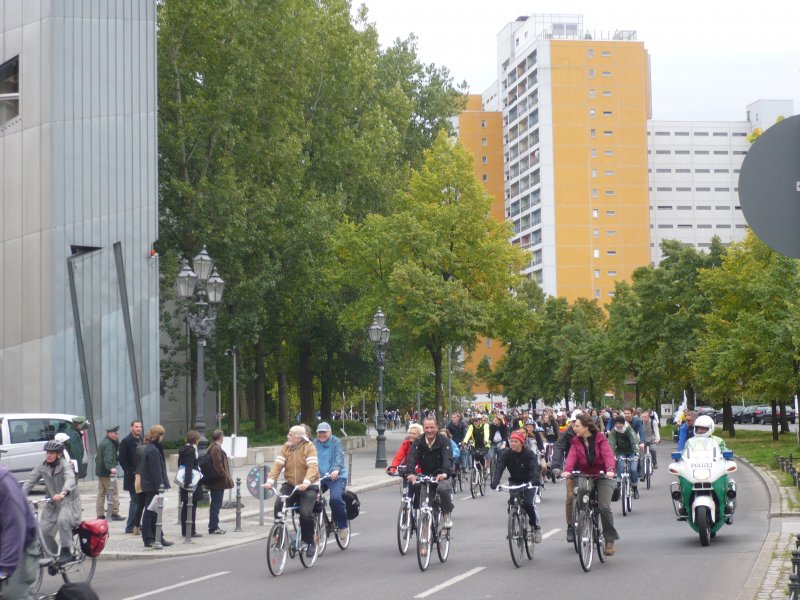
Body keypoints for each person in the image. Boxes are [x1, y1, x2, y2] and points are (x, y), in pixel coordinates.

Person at [562, 414, 619, 556]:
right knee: (580, 494)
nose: (574, 428)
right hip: (586, 474)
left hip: (603, 475)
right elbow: (571, 457)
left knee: (603, 506)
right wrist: (567, 470)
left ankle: (609, 539)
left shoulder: (600, 438)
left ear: (586, 427)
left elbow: (607, 455)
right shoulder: (576, 441)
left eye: (577, 426)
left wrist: (610, 470)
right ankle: (584, 520)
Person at [263, 425, 320, 557]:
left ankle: (309, 541)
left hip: (309, 485)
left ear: (299, 438)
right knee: (279, 504)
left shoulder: (309, 447)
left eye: (291, 435)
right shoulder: (286, 447)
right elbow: (278, 464)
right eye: (288, 434)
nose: (288, 436)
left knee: (305, 513)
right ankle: (279, 537)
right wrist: (270, 480)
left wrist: (306, 482)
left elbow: (313, 467)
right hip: (291, 484)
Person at [22, 441, 82, 563]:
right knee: (42, 531)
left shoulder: (66, 465)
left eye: (52, 453)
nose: (48, 455)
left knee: (62, 520)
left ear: (59, 455)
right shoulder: (42, 466)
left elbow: (70, 479)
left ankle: (66, 551)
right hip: (52, 504)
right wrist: (19, 496)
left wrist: (63, 493)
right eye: (47, 453)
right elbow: (30, 481)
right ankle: (53, 558)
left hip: (68, 502)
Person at [490, 430, 544, 542]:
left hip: (529, 482)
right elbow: (499, 468)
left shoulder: (528, 454)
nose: (513, 444)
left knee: (529, 504)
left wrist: (535, 480)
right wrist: (495, 482)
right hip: (515, 482)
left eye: (515, 441)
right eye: (511, 441)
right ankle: (513, 527)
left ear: (521, 443)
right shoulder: (506, 454)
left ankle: (535, 526)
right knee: (512, 503)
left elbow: (535, 468)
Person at [406, 417, 454, 529]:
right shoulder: (418, 442)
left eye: (432, 427)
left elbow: (448, 458)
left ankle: (447, 514)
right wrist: (411, 473)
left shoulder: (444, 441)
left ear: (437, 428)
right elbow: (412, 458)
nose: (429, 430)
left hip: (441, 475)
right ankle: (424, 537)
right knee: (424, 504)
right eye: (426, 427)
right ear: (423, 429)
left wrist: (444, 473)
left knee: (442, 489)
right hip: (426, 476)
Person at [0, 463, 38, 599]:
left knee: (13, 595)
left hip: (19, 546)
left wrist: (5, 567)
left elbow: (15, 526)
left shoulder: (3, 481)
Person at [313, 422, 349, 543]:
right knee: (310, 498)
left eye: (324, 432)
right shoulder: (314, 443)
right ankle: (314, 527)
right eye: (319, 432)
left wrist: (336, 469)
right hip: (321, 477)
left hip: (336, 477)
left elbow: (339, 456)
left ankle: (342, 526)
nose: (322, 434)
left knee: (334, 499)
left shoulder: (335, 442)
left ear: (330, 432)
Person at [140, 424, 173, 548]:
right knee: (150, 513)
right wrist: (161, 487)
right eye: (162, 435)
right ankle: (149, 538)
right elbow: (156, 471)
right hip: (153, 486)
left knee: (155, 513)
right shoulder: (153, 450)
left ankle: (158, 536)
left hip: (151, 485)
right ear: (159, 435)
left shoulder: (152, 448)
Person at [550, 409, 580, 543]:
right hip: (572, 468)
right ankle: (570, 526)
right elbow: (559, 448)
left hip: (590, 468)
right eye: (573, 422)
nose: (576, 425)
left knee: (595, 495)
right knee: (570, 496)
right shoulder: (566, 434)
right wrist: (556, 466)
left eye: (578, 422)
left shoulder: (591, 433)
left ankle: (596, 524)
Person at [607, 415, 644, 500]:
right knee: (620, 463)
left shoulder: (629, 430)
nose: (618, 425)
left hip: (632, 452)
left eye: (620, 423)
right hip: (621, 451)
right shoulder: (614, 431)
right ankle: (619, 482)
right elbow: (611, 443)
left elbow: (634, 441)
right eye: (616, 423)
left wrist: (637, 453)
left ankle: (635, 489)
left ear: (623, 424)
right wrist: (611, 454)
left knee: (633, 469)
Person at [206, 429, 235, 535]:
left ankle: (214, 526)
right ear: (220, 437)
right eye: (222, 437)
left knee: (216, 504)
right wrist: (224, 475)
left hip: (216, 481)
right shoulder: (215, 449)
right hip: (217, 482)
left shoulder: (213, 447)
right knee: (216, 504)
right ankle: (213, 527)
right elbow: (217, 465)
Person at [118, 420, 143, 534]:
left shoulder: (140, 440)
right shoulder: (127, 441)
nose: (138, 429)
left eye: (140, 427)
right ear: (131, 428)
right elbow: (122, 458)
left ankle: (136, 523)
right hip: (132, 476)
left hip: (140, 474)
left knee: (138, 500)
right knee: (134, 500)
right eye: (136, 427)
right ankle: (130, 526)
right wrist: (129, 471)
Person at [96, 425, 124, 520]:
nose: (116, 435)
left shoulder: (105, 442)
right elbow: (108, 458)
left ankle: (100, 514)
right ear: (109, 433)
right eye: (115, 433)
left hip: (101, 471)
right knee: (114, 492)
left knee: (101, 493)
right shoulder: (108, 444)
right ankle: (114, 513)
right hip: (107, 473)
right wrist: (111, 468)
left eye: (117, 433)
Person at [178, 430, 203, 538]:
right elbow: (189, 467)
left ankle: (186, 529)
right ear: (195, 440)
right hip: (191, 482)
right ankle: (190, 530)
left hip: (185, 481)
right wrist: (189, 484)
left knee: (186, 506)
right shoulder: (191, 450)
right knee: (191, 506)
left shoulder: (184, 449)